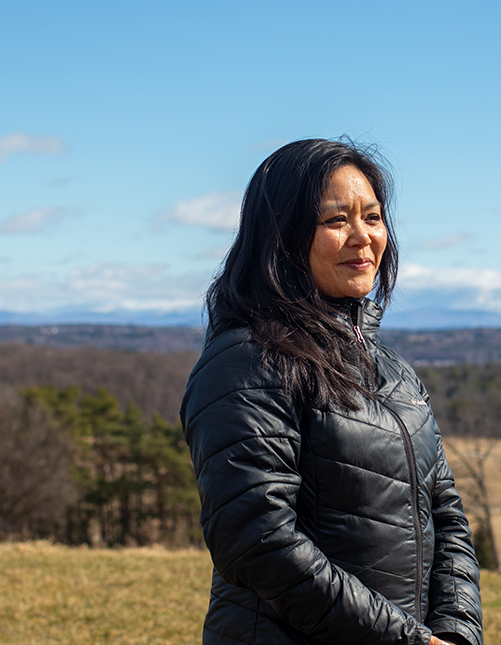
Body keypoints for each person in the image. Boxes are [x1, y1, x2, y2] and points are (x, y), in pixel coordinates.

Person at [180, 138, 482, 645]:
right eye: (335, 221)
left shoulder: (393, 372)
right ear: (281, 236)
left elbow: (445, 512)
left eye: (373, 216)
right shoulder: (247, 360)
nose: (362, 237)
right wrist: (408, 641)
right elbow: (257, 540)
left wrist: (454, 632)